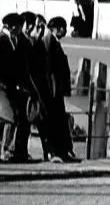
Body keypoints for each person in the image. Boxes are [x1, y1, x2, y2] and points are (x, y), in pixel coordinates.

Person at [36, 17, 77, 162]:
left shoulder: (53, 42)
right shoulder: (49, 41)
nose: (65, 31)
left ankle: (63, 151)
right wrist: (49, 90)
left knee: (59, 121)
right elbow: (47, 69)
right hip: (52, 91)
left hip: (56, 90)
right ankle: (54, 153)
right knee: (53, 121)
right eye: (63, 28)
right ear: (58, 28)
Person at [0, 13, 34, 163]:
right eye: (19, 26)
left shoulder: (14, 40)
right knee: (8, 118)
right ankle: (4, 150)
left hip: (11, 87)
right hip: (3, 86)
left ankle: (6, 149)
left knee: (10, 118)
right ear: (13, 26)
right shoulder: (2, 41)